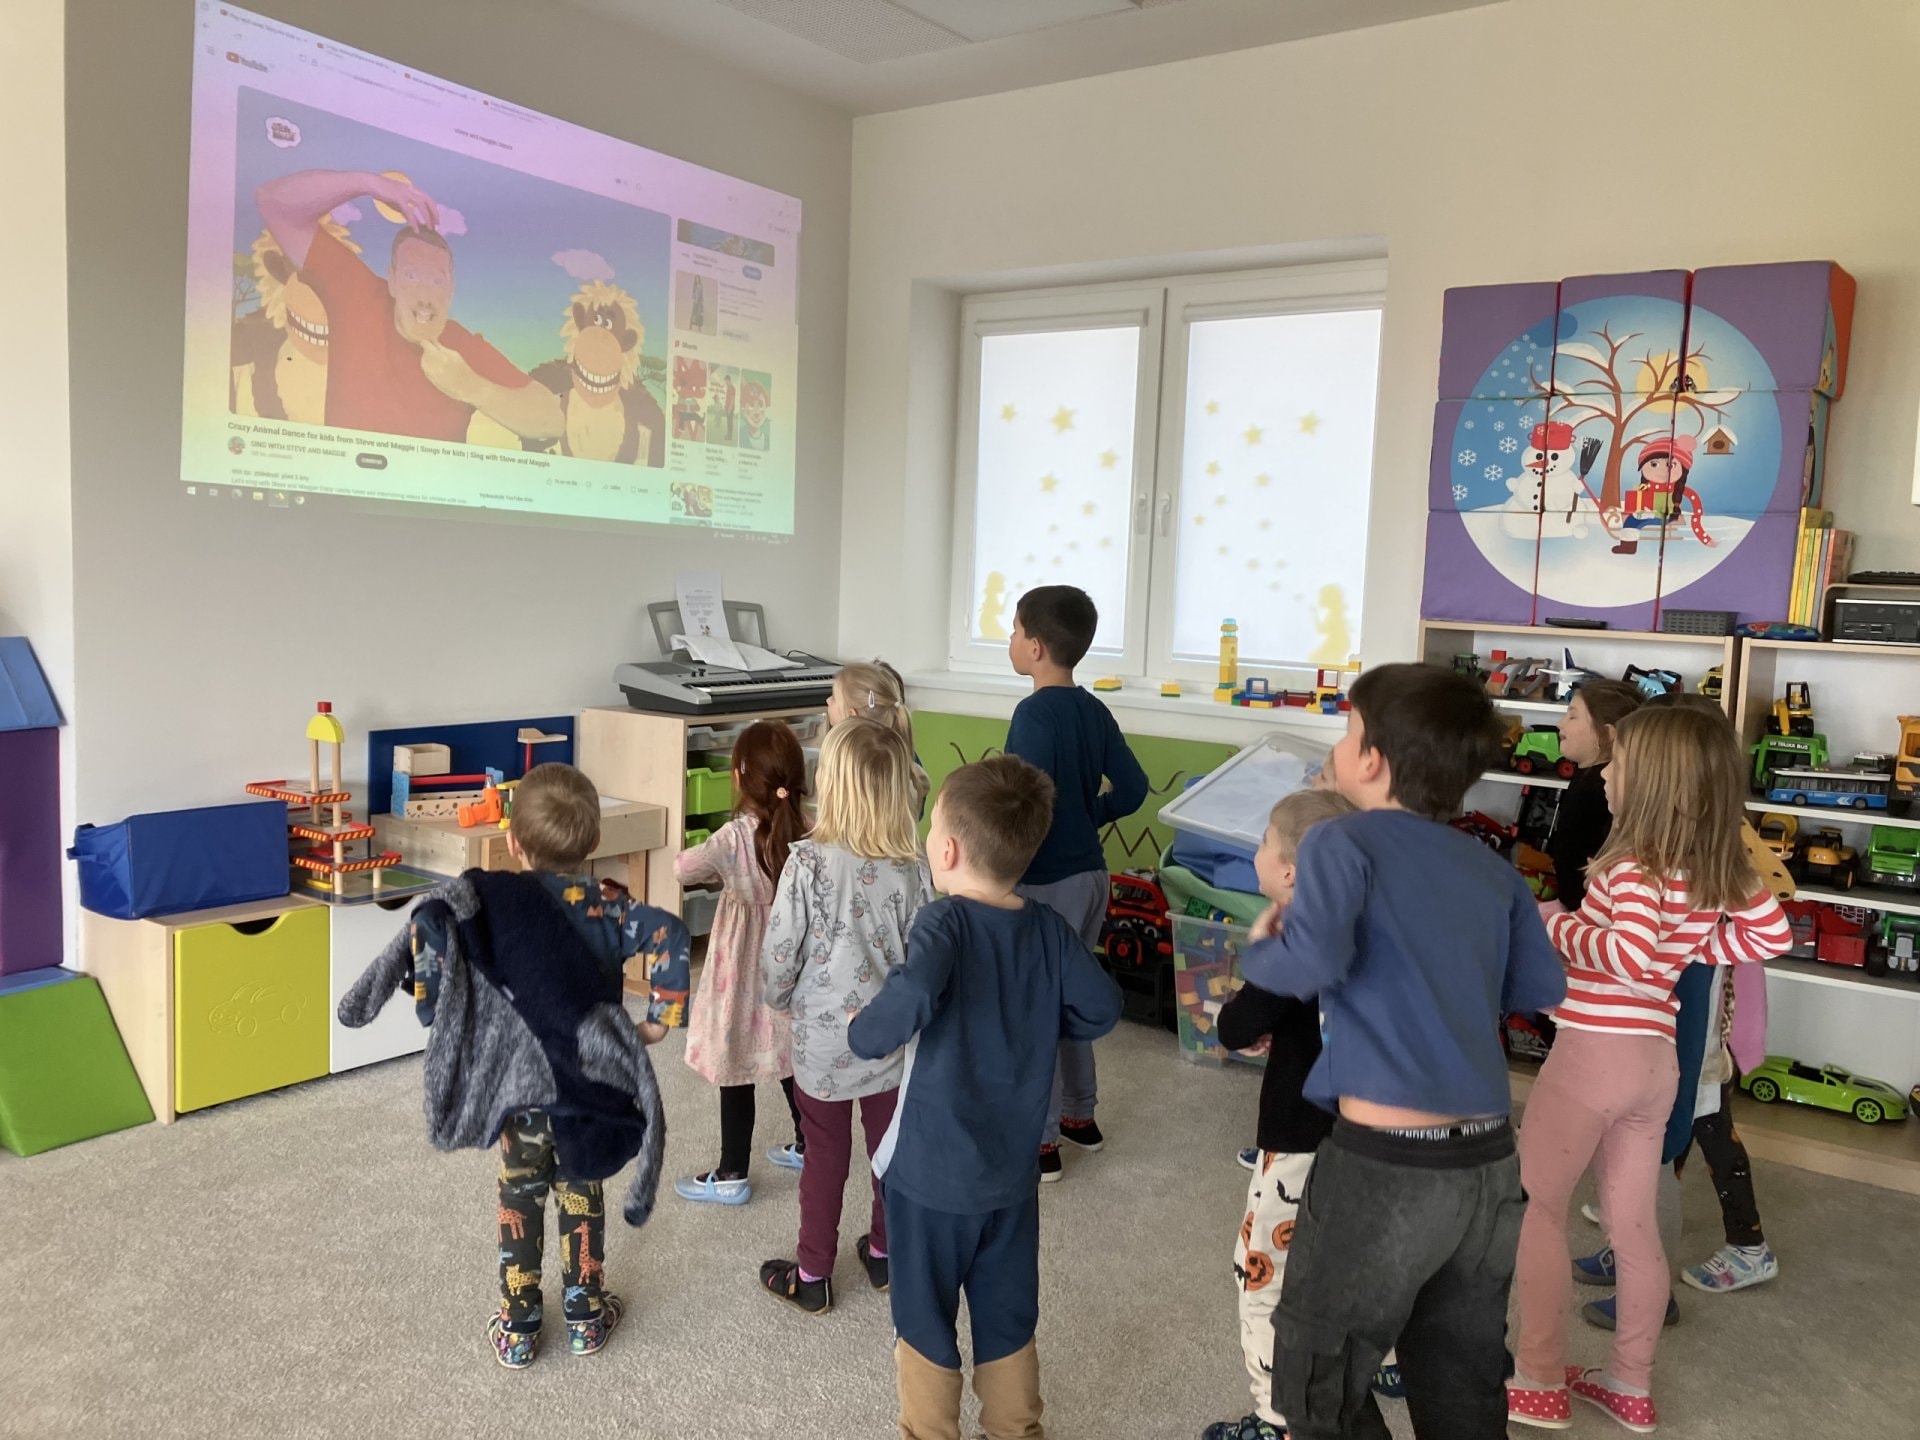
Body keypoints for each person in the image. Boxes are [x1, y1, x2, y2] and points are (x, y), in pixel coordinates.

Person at [1236, 663, 1567, 1440]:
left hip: (1387, 1163)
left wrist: (1264, 948)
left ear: (1372, 760)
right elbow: (1539, 986)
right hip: (1488, 1167)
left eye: (1347, 733)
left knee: (1315, 1375)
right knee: (1461, 1377)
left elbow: (1311, 961)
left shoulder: (1338, 840)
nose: (1339, 748)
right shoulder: (1490, 867)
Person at [337, 763, 689, 1370]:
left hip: (519, 1088)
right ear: (594, 841)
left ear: (514, 843)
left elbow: (435, 937)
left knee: (519, 1196)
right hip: (587, 1084)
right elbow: (672, 936)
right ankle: (585, 1318)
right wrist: (657, 1022)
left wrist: (435, 1012)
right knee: (582, 1191)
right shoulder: (607, 907)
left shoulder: (494, 906)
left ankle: (519, 1325)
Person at [1509, 706, 1791, 1432]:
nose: (1606, 775)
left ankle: (1538, 1377)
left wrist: (1556, 924)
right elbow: (1771, 934)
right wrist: (1696, 943)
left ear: (1654, 782)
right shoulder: (1700, 869)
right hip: (1655, 1063)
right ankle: (1629, 1384)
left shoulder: (1633, 865)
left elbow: (1629, 956)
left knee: (1535, 1206)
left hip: (1594, 1054)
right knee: (1632, 1225)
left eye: (1619, 764)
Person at [848, 755, 1123, 1440]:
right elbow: (1101, 1008)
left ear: (946, 850)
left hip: (929, 1176)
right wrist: (1038, 1019)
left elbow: (912, 993)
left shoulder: (942, 921)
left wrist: (864, 1031)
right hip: (1010, 1177)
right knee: (1007, 1316)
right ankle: (1015, 1429)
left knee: (923, 1315)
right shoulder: (1048, 928)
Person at [759, 719, 935, 1313]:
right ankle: (885, 1253)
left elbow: (781, 951)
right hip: (891, 1041)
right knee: (890, 1151)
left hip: (824, 1045)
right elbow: (927, 956)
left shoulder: (806, 864)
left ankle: (813, 1274)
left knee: (824, 1157)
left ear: (830, 787)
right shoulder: (913, 867)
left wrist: (776, 998)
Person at [1205, 789, 1355, 1440]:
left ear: (1290, 872)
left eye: (1266, 840)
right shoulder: (1364, 927)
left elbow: (1235, 1027)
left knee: (1261, 1274)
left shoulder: (1296, 938)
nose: (1259, 848)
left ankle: (1276, 1419)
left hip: (1298, 1140)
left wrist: (1261, 951)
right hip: (1370, 1139)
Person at [1004, 585, 1148, 1181]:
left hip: (1045, 882)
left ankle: (1040, 1142)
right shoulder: (1094, 710)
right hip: (1092, 877)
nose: (1010, 639)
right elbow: (1134, 790)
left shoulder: (1032, 715)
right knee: (1067, 997)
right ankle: (1079, 1115)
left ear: (1036, 647)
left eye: (1015, 630)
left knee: (1035, 1009)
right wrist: (1091, 815)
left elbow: (1017, 804)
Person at [254, 169, 562, 444]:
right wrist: (367, 183)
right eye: (412, 276)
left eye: (437, 280)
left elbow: (551, 421)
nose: (425, 295)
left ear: (451, 289)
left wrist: (471, 387)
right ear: (392, 279)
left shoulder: (461, 349)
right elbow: (273, 202)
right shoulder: (358, 295)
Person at [673, 722, 812, 1205]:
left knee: (735, 1064)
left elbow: (682, 868)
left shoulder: (731, 838)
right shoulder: (809, 829)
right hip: (791, 962)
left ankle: (732, 1172)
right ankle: (809, 1144)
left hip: (740, 969)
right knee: (791, 1050)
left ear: (738, 777)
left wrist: (720, 873)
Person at [829, 659, 930, 816]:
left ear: (852, 715)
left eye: (834, 697)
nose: (828, 700)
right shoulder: (906, 757)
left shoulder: (850, 764)